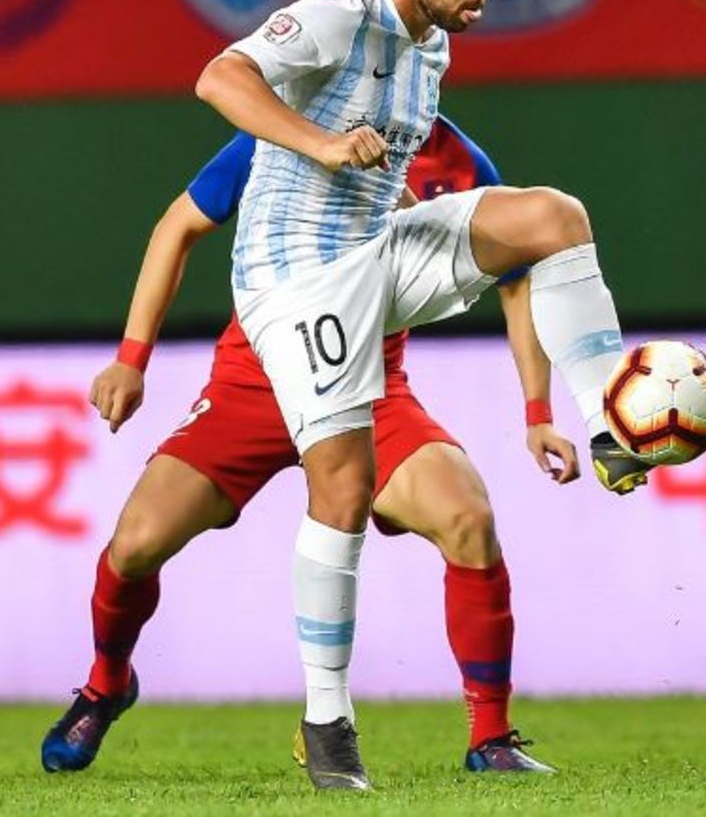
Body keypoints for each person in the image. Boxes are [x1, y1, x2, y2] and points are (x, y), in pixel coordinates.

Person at [195, 0, 646, 790]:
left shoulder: (430, 44)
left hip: (375, 251)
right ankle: (328, 722)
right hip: (295, 281)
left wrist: (381, 189)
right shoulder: (340, 10)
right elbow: (219, 77)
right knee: (345, 485)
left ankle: (614, 423)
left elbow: (385, 156)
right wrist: (321, 145)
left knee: (553, 217)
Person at [41, 116, 577, 785]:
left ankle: (490, 736)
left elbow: (516, 282)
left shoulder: (461, 164)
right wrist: (131, 358)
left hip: (370, 387)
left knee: (468, 519)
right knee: (135, 545)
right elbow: (177, 225)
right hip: (254, 381)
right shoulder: (282, 132)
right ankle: (107, 683)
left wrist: (538, 413)